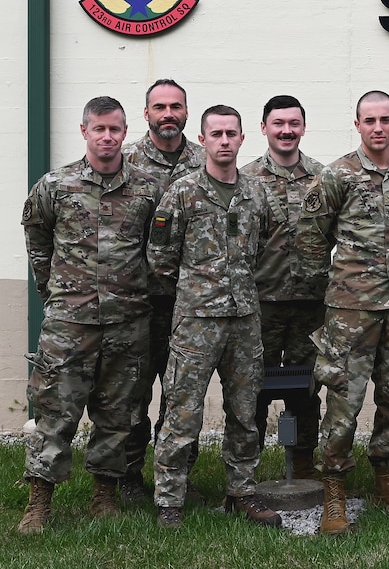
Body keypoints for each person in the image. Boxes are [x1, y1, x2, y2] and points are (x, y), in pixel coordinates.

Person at [18, 97, 162, 534]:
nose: (107, 137)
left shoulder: (147, 187)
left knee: (118, 413)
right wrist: (56, 293)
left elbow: (158, 248)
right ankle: (39, 501)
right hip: (69, 323)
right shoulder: (56, 185)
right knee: (54, 411)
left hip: (127, 321)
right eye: (98, 128)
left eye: (114, 129)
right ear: (84, 131)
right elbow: (37, 239)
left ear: (124, 131)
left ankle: (105, 494)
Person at [298, 91, 389, 536]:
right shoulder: (337, 174)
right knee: (344, 403)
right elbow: (311, 236)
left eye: (385, 120)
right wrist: (338, 284)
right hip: (350, 313)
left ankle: (387, 484)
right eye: (369, 120)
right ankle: (333, 494)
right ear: (357, 124)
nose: (377, 128)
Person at [149, 105, 281, 529]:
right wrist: (196, 292)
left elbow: (263, 246)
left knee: (244, 412)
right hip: (196, 322)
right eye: (216, 134)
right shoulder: (182, 192)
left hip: (244, 320)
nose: (224, 141)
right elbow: (161, 257)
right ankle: (170, 499)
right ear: (202, 140)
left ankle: (241, 492)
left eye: (231, 133)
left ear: (243, 139)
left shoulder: (257, 193)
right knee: (182, 411)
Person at [120, 79, 206, 500]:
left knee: (183, 395)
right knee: (135, 392)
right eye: (160, 107)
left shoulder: (205, 161)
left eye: (176, 106)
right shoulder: (126, 160)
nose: (168, 113)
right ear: (147, 113)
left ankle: (178, 476)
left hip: (191, 304)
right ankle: (129, 476)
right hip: (140, 302)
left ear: (187, 111)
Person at [242, 95, 326, 477]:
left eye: (294, 123)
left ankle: (304, 464)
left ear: (304, 128)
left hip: (311, 305)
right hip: (260, 305)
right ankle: (247, 468)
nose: (286, 130)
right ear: (264, 128)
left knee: (307, 388)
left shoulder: (324, 178)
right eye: (278, 123)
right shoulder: (244, 180)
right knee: (251, 388)